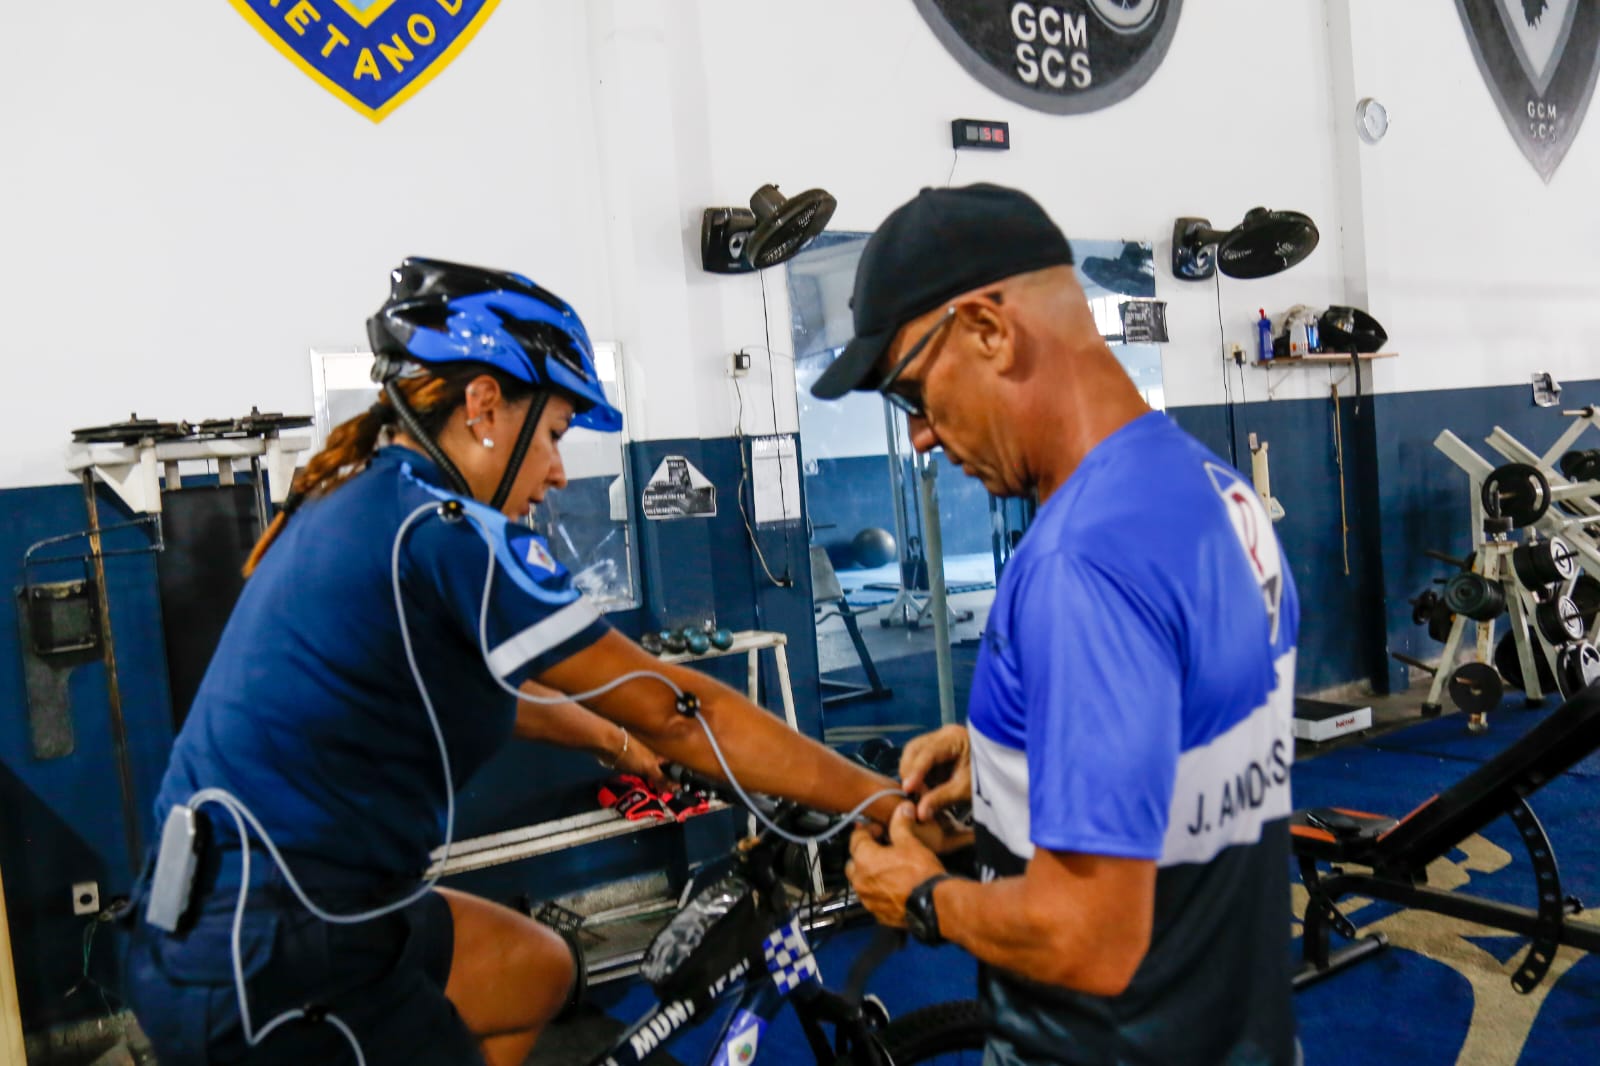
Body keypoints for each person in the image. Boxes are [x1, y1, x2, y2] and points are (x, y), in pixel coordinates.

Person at [124, 258, 906, 1066]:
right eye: (557, 435)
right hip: (278, 958)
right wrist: (875, 796)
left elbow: (475, 689)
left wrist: (612, 742)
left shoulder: (360, 499)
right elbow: (681, 711)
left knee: (537, 970)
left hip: (223, 919)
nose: (559, 471)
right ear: (484, 405)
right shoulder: (446, 534)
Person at [823, 186, 1302, 1066]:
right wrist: (1017, 756)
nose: (920, 435)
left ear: (988, 331)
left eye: (909, 391)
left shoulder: (1079, 559)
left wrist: (923, 896)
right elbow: (1183, 745)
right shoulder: (1214, 489)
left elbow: (1089, 938)